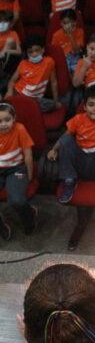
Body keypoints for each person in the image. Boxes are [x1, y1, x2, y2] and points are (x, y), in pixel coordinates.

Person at [0, 102, 37, 240]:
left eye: (7, 120)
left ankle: (29, 216)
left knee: (16, 200)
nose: (3, 124)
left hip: (16, 168)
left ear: (14, 118)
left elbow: (28, 155)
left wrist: (29, 175)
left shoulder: (20, 129)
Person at [5, 34, 61, 113]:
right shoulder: (23, 63)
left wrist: (56, 100)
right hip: (19, 93)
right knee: (7, 106)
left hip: (35, 99)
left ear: (43, 50)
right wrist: (9, 91)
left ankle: (24, 109)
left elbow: (53, 82)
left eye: (37, 50)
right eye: (30, 52)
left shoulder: (49, 62)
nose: (34, 54)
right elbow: (12, 80)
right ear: (27, 53)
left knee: (52, 105)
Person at [51, 8, 84, 74]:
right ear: (61, 23)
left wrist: (70, 35)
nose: (68, 25)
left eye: (71, 22)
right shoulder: (56, 35)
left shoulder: (80, 32)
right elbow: (54, 52)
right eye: (65, 23)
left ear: (75, 22)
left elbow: (76, 51)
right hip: (62, 59)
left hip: (75, 58)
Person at [0, 10, 21, 89]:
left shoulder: (13, 34)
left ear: (10, 24)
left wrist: (5, 51)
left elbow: (19, 51)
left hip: (7, 60)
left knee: (10, 41)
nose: (2, 24)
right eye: (0, 21)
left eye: (5, 22)